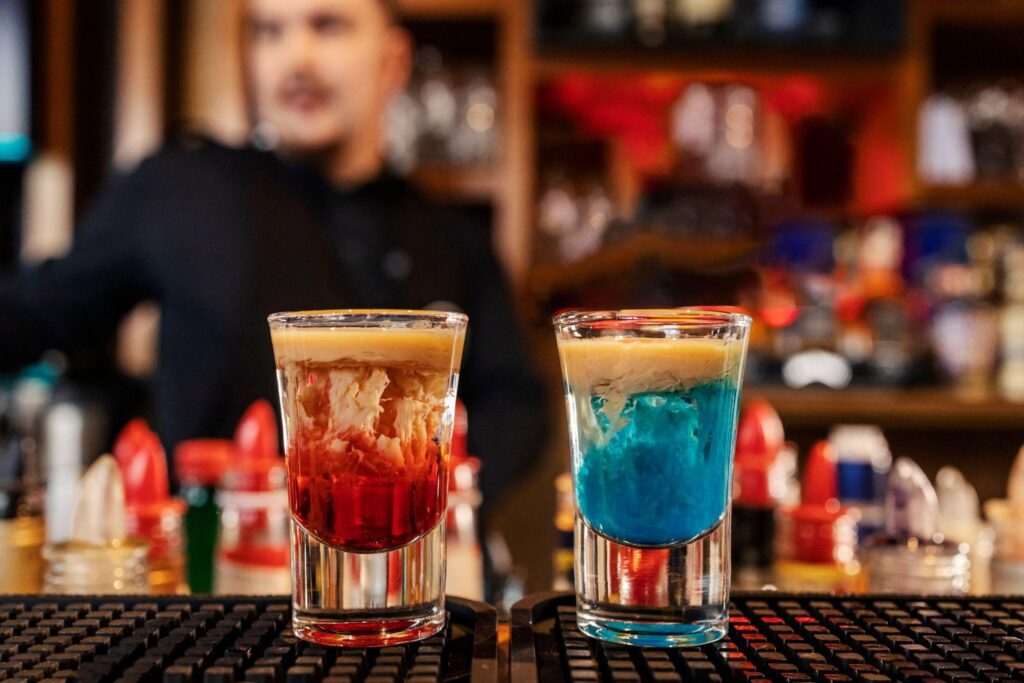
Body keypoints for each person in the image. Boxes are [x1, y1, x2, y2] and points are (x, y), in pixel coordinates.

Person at [0, 0, 545, 507]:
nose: (296, 58)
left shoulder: (453, 240)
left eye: (327, 26)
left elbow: (516, 409)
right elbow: (35, 313)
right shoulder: (180, 190)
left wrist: (422, 500)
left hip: (394, 577)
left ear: (393, 60)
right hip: (206, 579)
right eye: (269, 32)